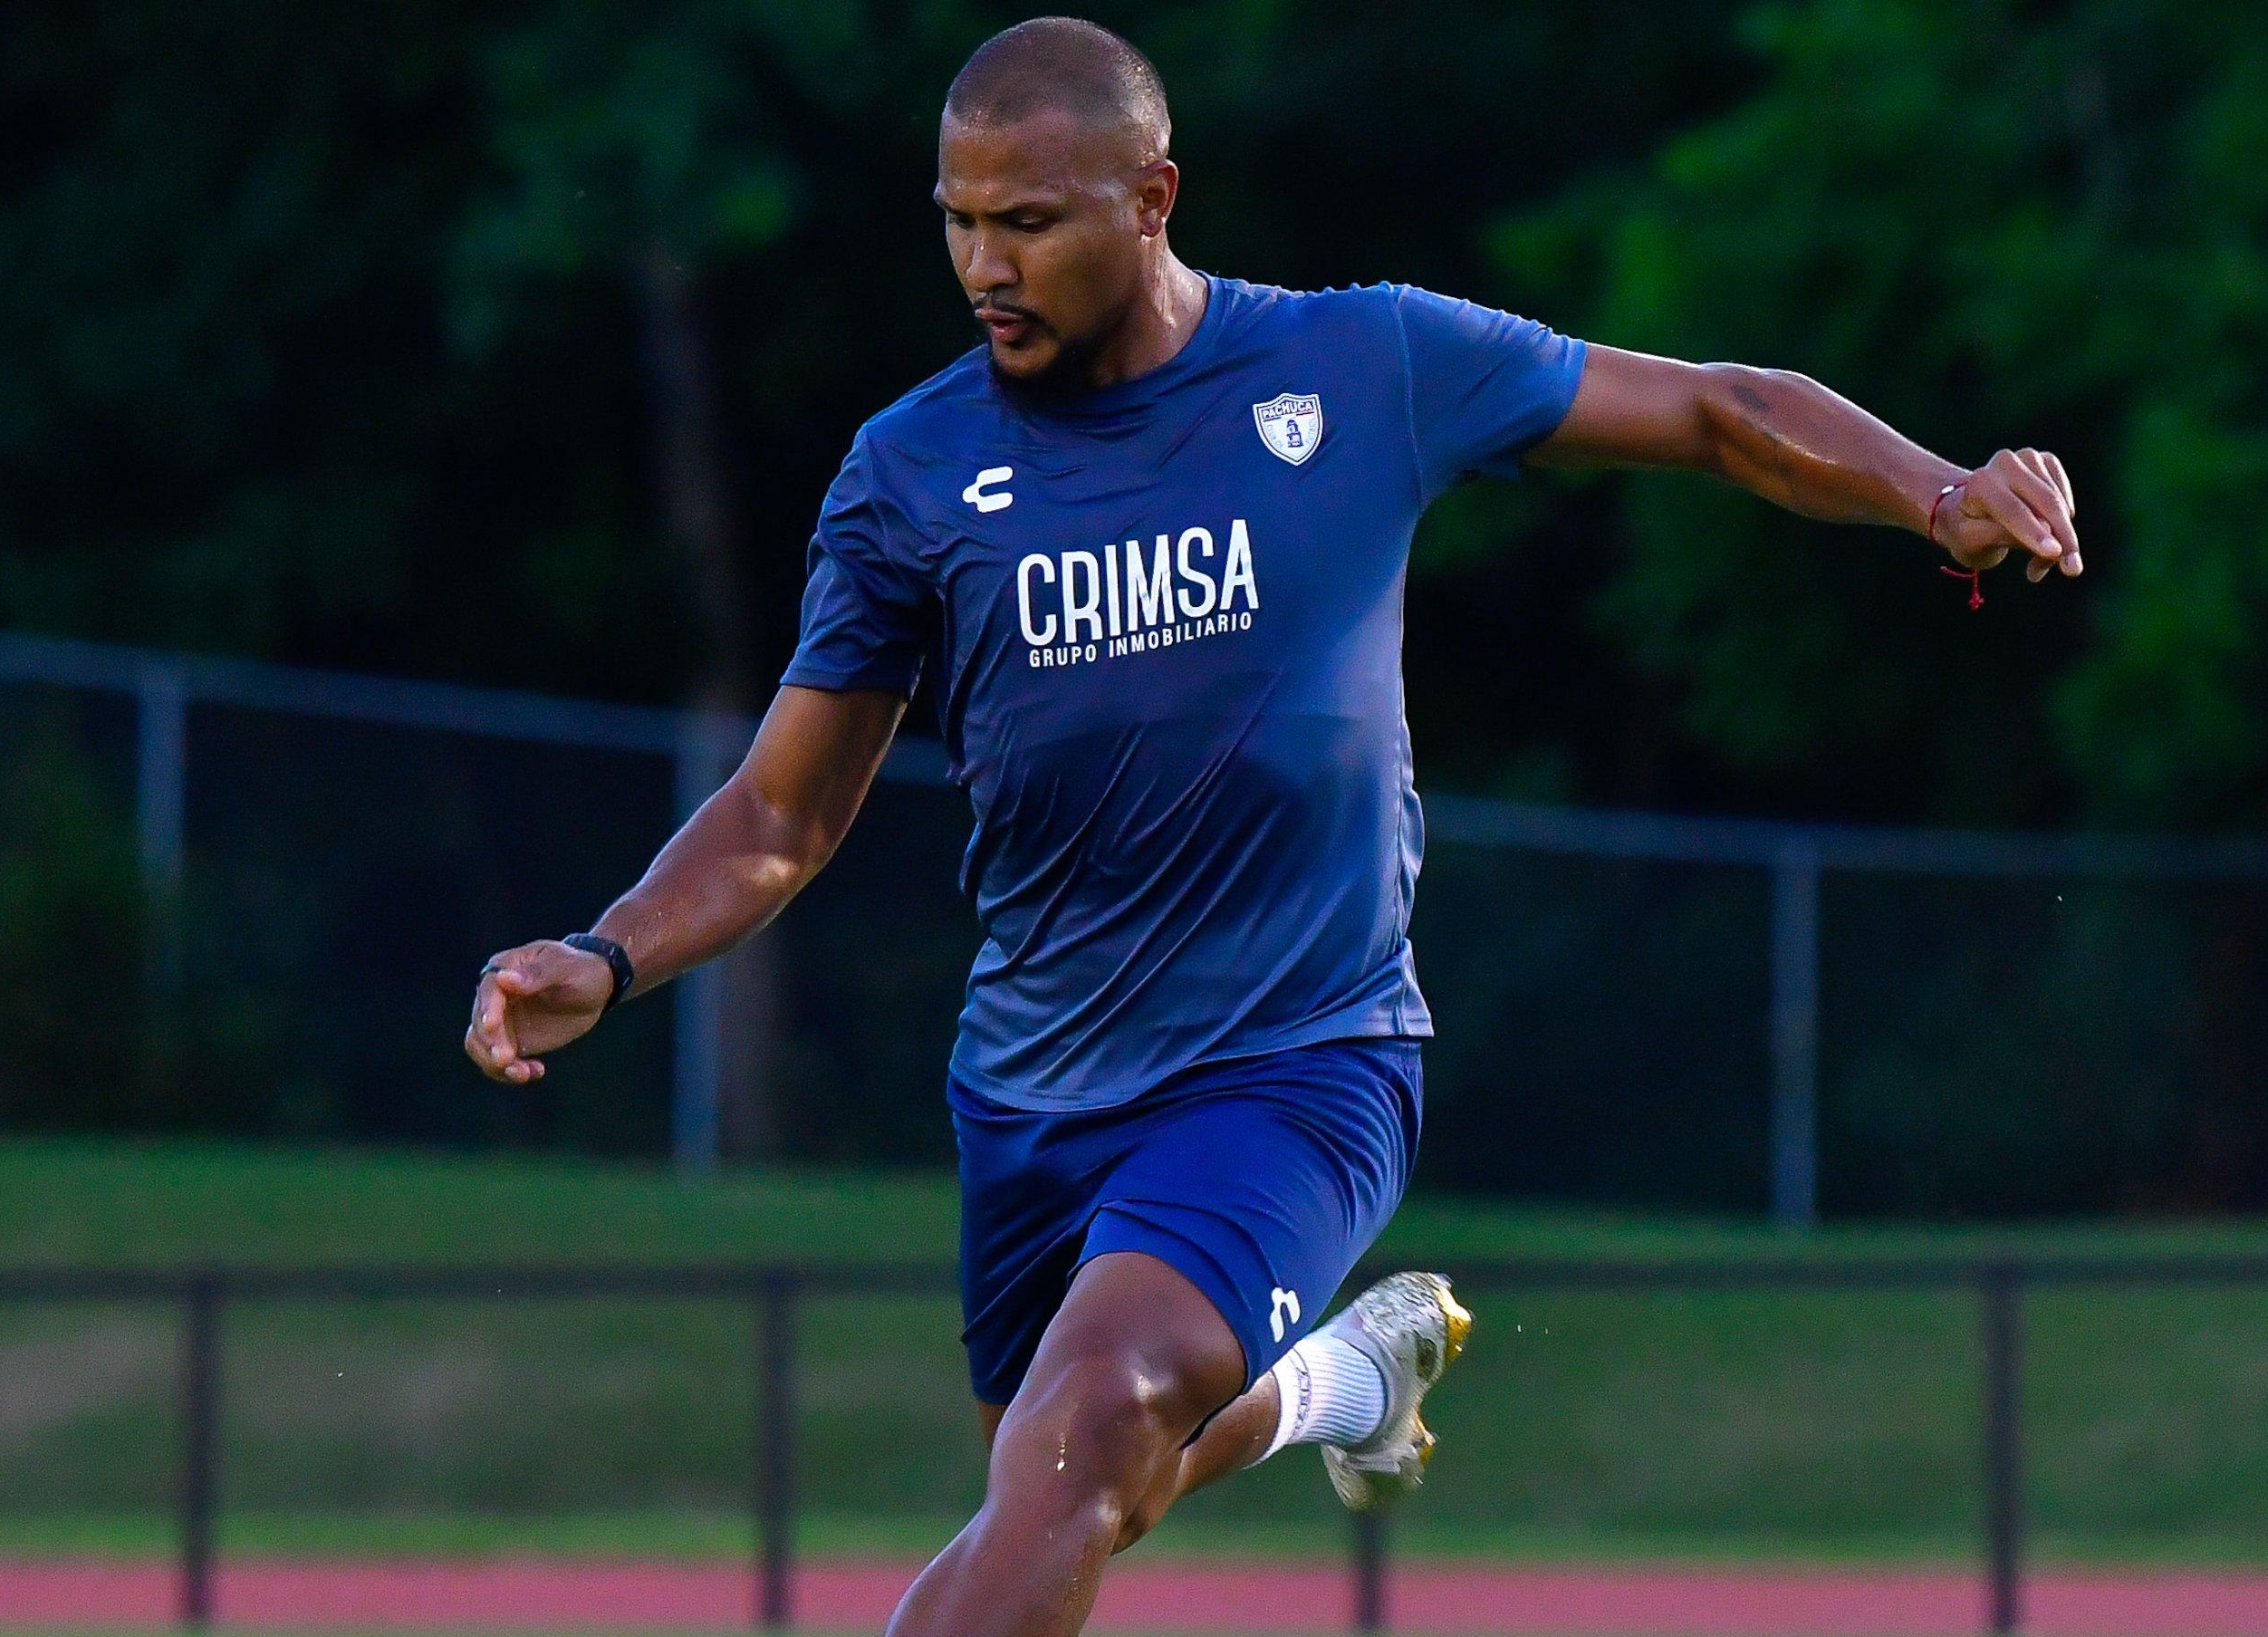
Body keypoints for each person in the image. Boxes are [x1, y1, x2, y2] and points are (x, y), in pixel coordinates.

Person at [463, 16, 2081, 1636]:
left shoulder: (1360, 364)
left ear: (1153, 198)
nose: (982, 264)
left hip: (1302, 1060)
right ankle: (1341, 1381)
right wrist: (609, 957)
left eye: (1028, 222)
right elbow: (779, 813)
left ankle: (1294, 1378)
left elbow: (1720, 409)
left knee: (1082, 1437)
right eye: (957, 219)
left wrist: (1939, 493)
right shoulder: (911, 473)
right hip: (1032, 1092)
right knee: (1100, 1478)